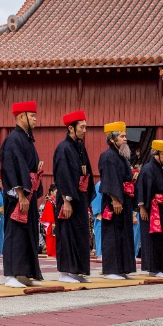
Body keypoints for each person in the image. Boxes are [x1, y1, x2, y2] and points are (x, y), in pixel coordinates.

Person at [0, 101, 44, 287]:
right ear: (21, 117)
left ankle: (25, 273)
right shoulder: (12, 140)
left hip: (29, 193)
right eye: (31, 115)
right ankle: (11, 274)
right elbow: (11, 167)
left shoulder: (26, 139)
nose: (35, 119)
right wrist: (20, 193)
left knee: (29, 233)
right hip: (19, 195)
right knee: (15, 232)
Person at [53, 110, 95, 283]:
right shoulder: (64, 148)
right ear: (71, 128)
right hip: (68, 198)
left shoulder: (79, 146)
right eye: (82, 127)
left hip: (80, 197)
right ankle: (65, 272)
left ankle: (77, 271)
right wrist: (66, 200)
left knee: (80, 234)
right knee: (66, 233)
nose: (85, 130)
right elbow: (62, 175)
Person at [98, 122, 136, 280]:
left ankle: (122, 269)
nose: (125, 139)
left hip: (124, 200)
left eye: (125, 136)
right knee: (113, 234)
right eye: (122, 136)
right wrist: (115, 199)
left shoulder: (121, 157)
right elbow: (109, 179)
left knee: (124, 234)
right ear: (112, 139)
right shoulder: (108, 156)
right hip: (115, 201)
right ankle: (111, 270)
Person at [137, 140, 163, 277]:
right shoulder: (148, 168)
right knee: (154, 240)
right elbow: (141, 188)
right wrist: (142, 207)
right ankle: (154, 269)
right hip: (152, 208)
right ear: (156, 154)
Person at [40, 185, 57, 257]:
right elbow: (50, 213)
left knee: (53, 238)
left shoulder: (53, 201)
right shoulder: (50, 201)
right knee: (51, 237)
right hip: (51, 222)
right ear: (51, 192)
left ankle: (53, 252)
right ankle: (51, 252)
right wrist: (53, 222)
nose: (57, 193)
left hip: (53, 221)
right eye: (56, 192)